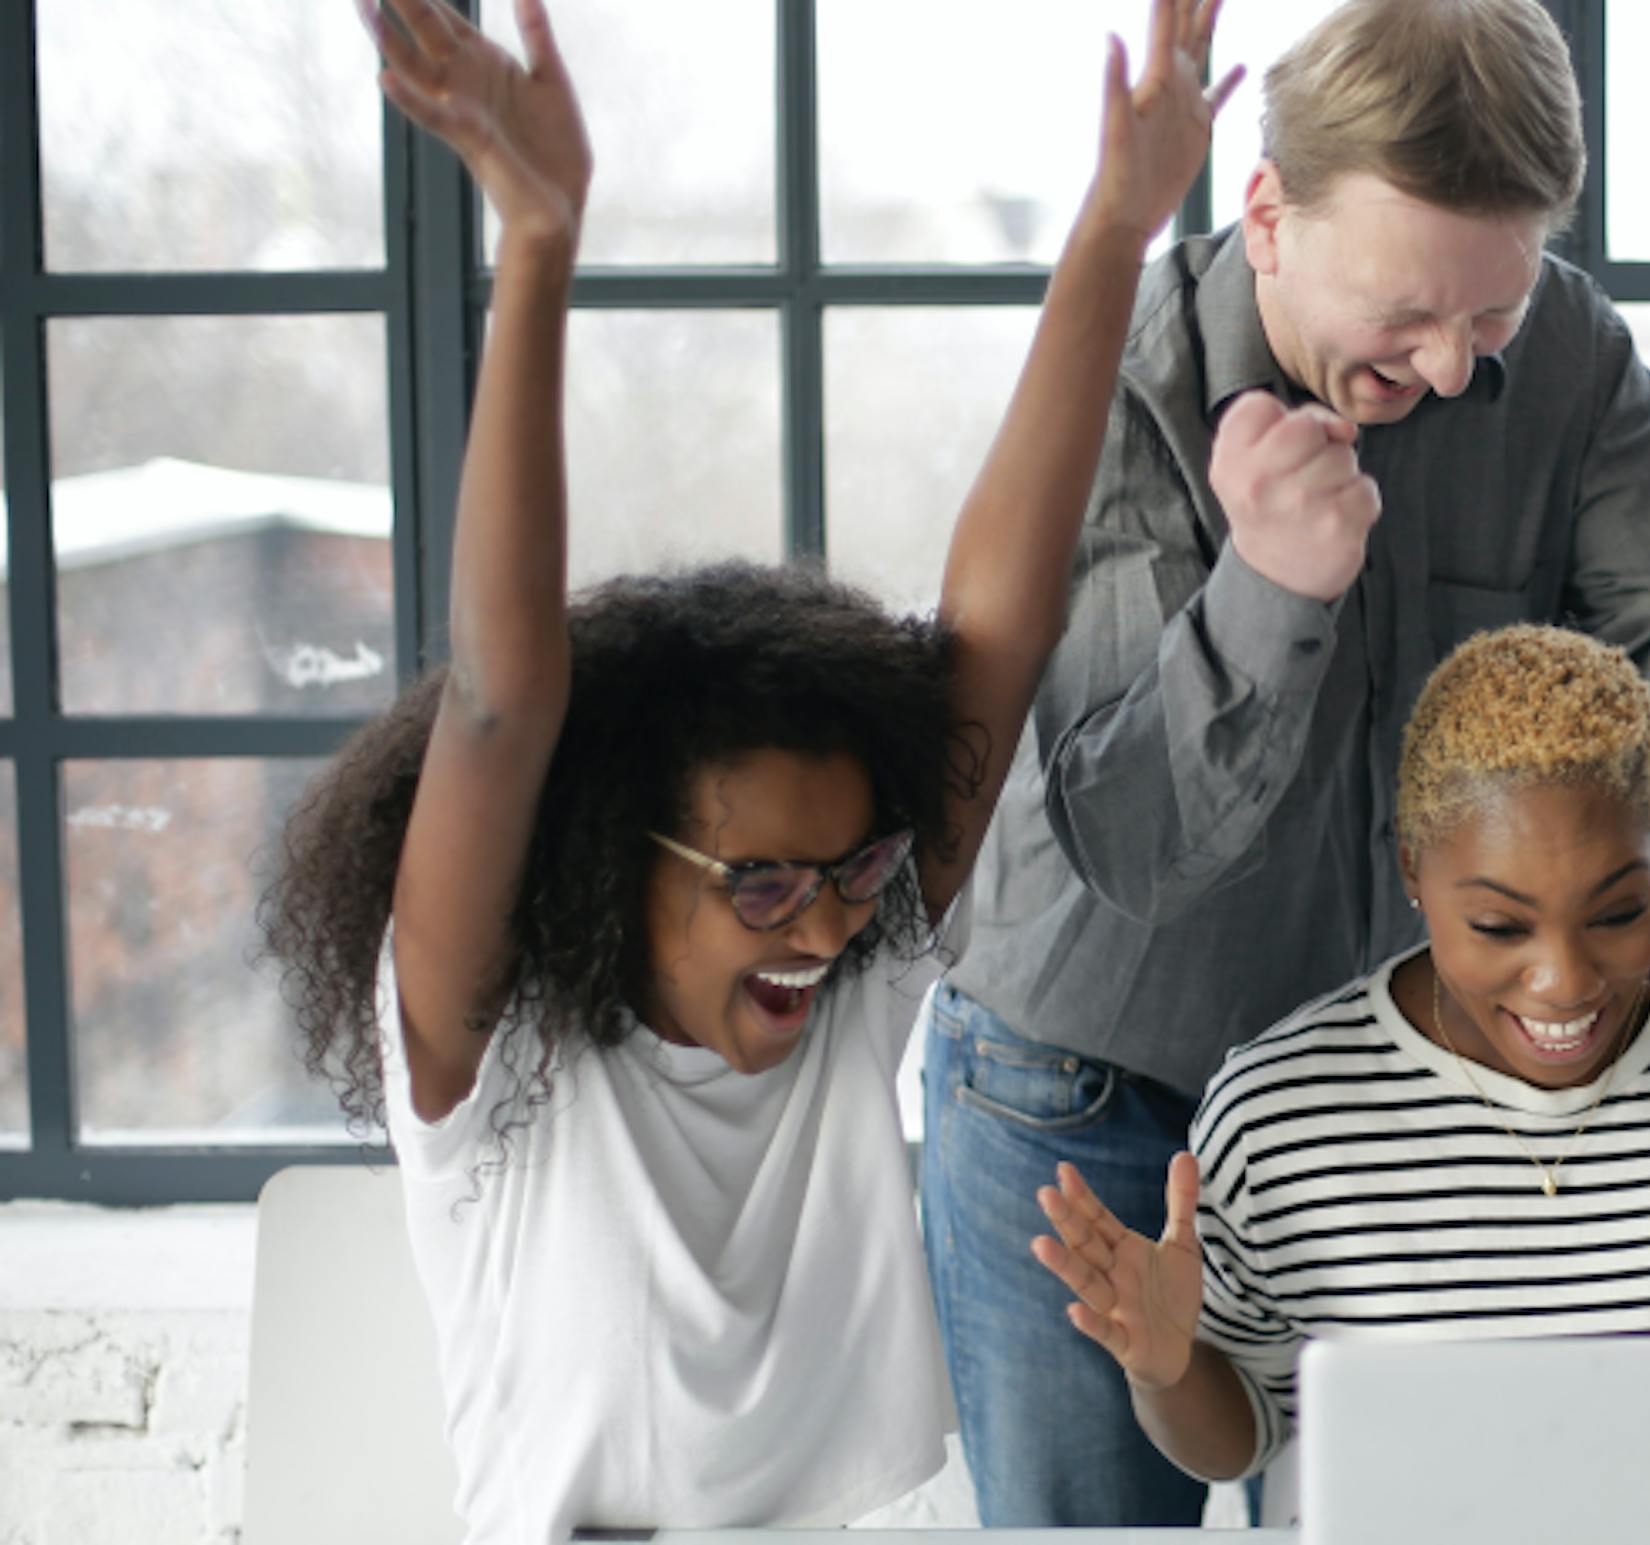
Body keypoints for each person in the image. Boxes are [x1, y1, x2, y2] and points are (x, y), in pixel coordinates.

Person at [259, 2, 1236, 1539]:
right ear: (615, 863)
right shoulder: (498, 1071)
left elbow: (999, 617)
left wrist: (1118, 226)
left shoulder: (851, 1002)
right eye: (765, 882)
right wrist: (536, 243)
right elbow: (507, 700)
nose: (833, 924)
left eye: (854, 870)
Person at [916, 0, 1650, 1526]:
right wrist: (1272, 592)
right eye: (1408, 313)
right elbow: (1128, 841)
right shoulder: (1128, 382)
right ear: (1269, 214)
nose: (1445, 371)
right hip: (1089, 1089)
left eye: (1487, 318)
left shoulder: (1562, 358)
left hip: (1376, 1110)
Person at [1028, 624, 1650, 1514]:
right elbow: (1249, 1430)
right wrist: (1168, 1369)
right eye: (1501, 926)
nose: (1565, 980)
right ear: (1414, 871)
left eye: (1618, 912)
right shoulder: (1280, 1114)